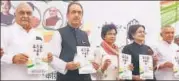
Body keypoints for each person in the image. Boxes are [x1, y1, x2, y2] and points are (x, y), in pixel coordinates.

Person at [0, 2, 55, 80]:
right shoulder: (4, 32)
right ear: (15, 14)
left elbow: (42, 58)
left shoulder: (39, 35)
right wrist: (12, 59)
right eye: (22, 13)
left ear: (32, 16)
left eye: (28, 13)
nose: (25, 16)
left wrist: (48, 58)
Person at [50, 2, 91, 81]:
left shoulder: (85, 34)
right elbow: (52, 58)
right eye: (73, 12)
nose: (76, 15)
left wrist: (93, 64)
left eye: (79, 12)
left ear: (82, 16)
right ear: (67, 15)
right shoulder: (59, 33)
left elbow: (87, 57)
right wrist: (65, 65)